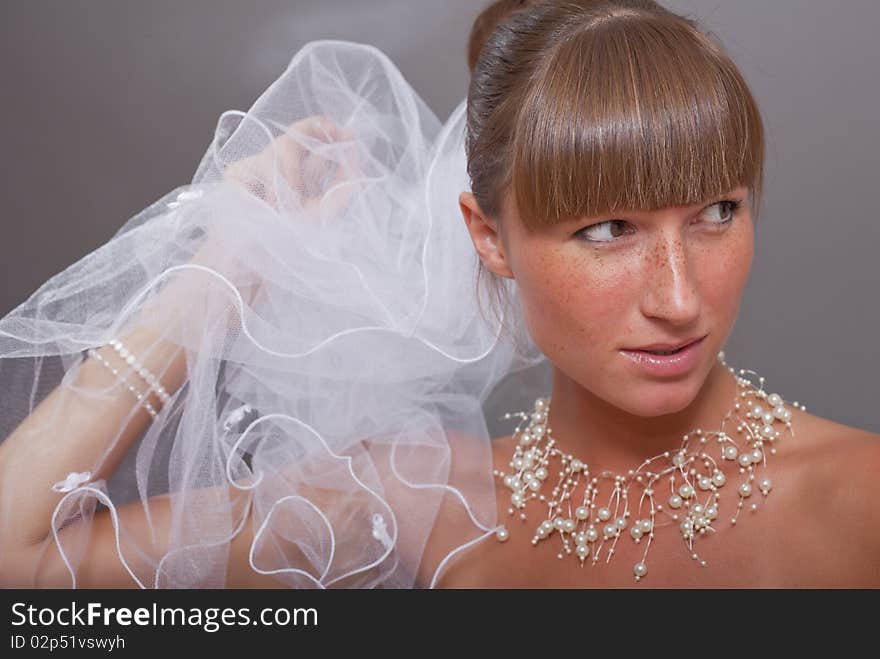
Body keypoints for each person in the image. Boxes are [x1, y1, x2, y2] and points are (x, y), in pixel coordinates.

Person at [0, 0, 878, 590]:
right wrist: (225, 270)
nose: (682, 298)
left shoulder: (861, 497)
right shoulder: (414, 502)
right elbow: (17, 559)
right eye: (608, 229)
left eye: (717, 212)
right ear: (487, 235)